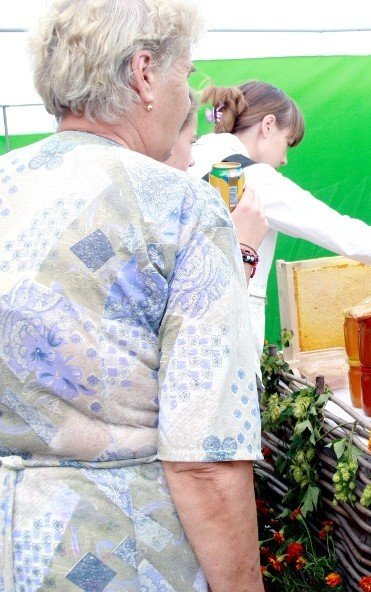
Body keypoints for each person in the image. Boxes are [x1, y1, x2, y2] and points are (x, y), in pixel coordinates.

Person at [0, 0, 263, 589]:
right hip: (120, 556)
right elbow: (206, 455)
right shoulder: (181, 207)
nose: (189, 94)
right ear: (145, 73)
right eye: (186, 74)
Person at [189, 82, 371, 348]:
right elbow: (343, 233)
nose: (285, 159)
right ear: (268, 125)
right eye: (287, 142)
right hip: (222, 334)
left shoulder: (192, 155)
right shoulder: (250, 177)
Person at [167, 92, 269, 282]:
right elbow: (213, 306)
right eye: (191, 143)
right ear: (268, 125)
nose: (192, 161)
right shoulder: (257, 173)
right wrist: (244, 249)